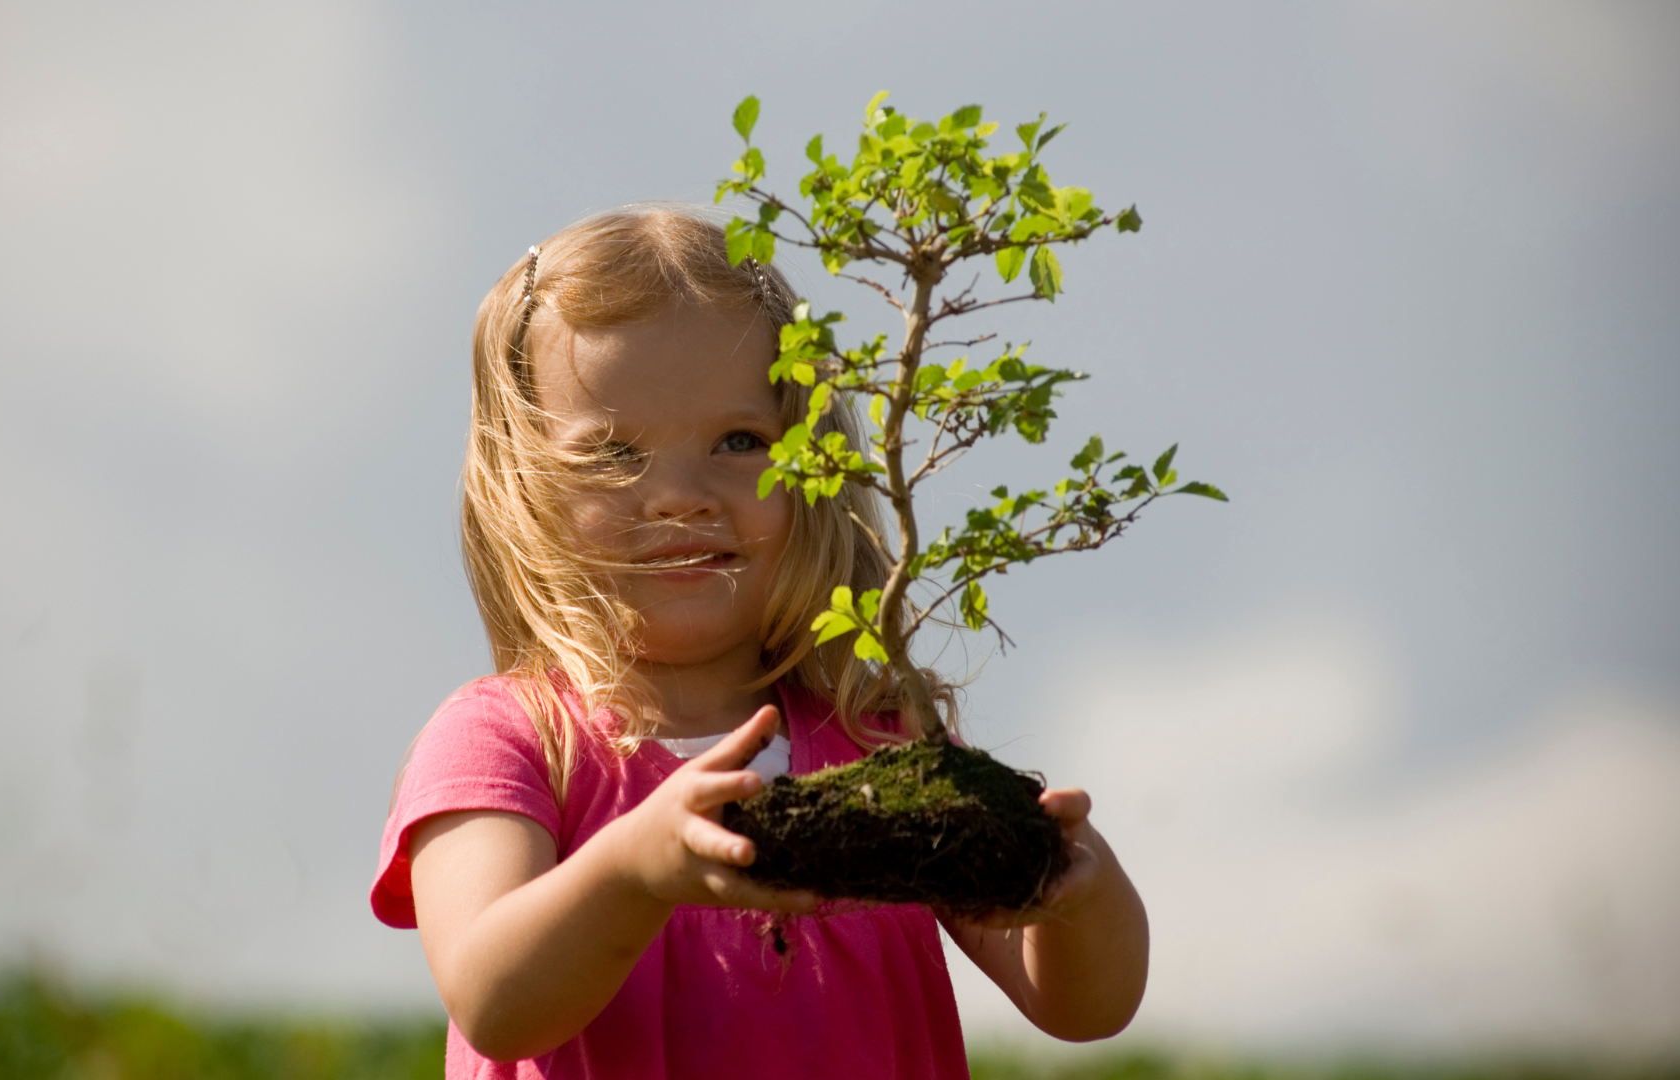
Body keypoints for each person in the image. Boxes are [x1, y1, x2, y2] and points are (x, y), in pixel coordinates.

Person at [370, 207, 1149, 1079]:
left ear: (815, 469)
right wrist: (635, 870)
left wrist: (1077, 888)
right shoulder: (509, 743)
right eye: (613, 455)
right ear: (524, 487)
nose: (679, 495)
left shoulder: (873, 741)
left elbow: (1084, 1007)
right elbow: (495, 1001)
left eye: (739, 442)